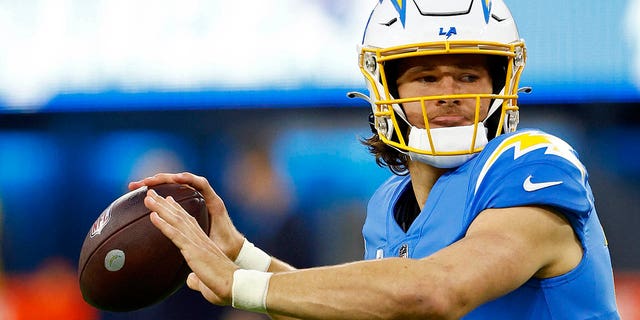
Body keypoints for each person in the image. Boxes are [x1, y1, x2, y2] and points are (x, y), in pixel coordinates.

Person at [128, 0, 620, 318]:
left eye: (468, 76)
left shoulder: (533, 164)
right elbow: (366, 304)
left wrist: (241, 285)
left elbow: (438, 290)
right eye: (427, 78)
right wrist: (243, 255)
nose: (448, 93)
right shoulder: (388, 204)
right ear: (386, 91)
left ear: (499, 87)